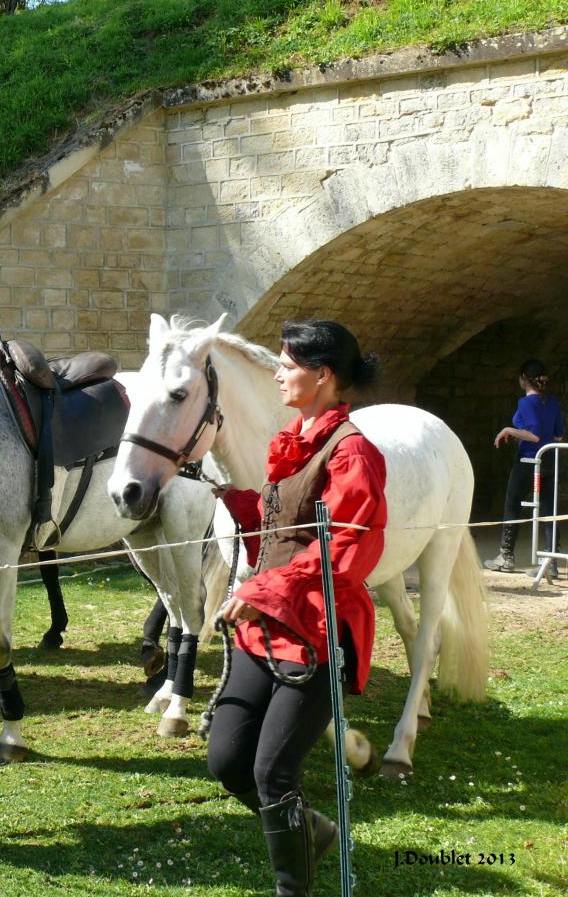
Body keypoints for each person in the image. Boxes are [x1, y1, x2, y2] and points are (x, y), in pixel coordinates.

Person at [207, 320, 386, 897]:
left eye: (288, 364)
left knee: (271, 772)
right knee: (228, 761)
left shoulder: (353, 451)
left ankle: (294, 889)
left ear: (323, 375)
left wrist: (260, 594)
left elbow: (345, 548)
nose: (279, 373)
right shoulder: (297, 435)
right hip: (265, 628)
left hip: (316, 631)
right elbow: (285, 526)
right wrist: (233, 499)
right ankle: (310, 828)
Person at [484, 359, 564, 576]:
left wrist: (509, 430)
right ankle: (551, 561)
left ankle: (506, 556)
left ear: (524, 379)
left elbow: (534, 434)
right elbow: (558, 435)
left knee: (513, 504)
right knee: (549, 510)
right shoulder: (553, 402)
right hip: (549, 459)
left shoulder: (526, 403)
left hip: (529, 460)